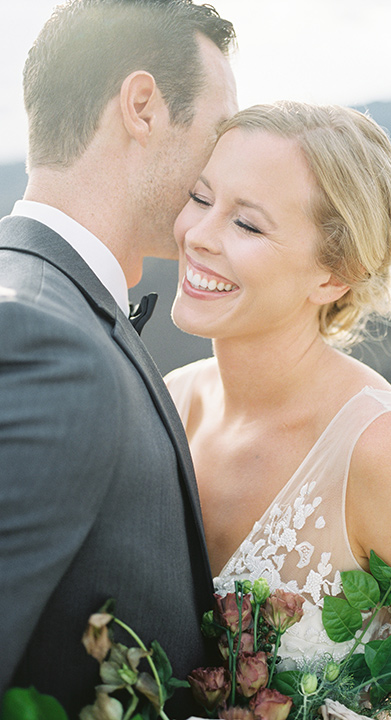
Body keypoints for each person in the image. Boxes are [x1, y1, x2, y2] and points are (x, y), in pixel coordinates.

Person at [166, 102, 391, 714]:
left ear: (336, 275)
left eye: (248, 225)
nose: (197, 234)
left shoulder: (386, 453)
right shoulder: (166, 403)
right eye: (201, 198)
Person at [0, 0, 237, 716]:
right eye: (219, 130)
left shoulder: (53, 305)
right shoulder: (47, 345)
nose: (224, 162)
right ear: (142, 107)